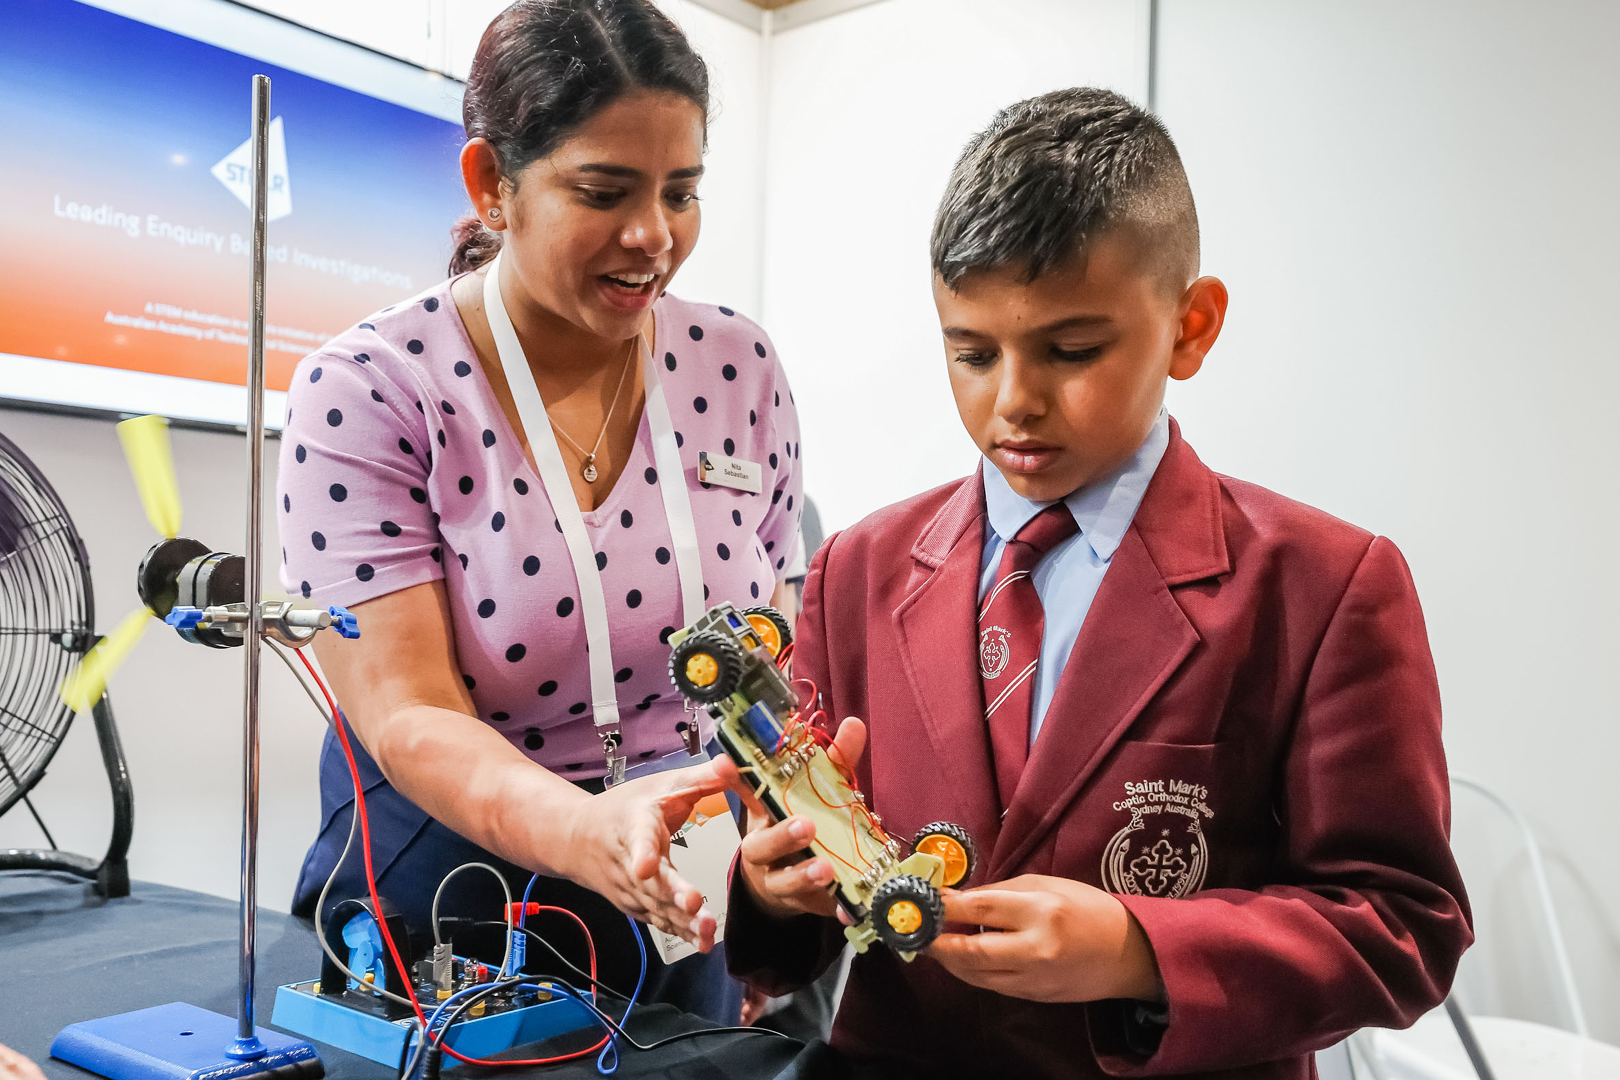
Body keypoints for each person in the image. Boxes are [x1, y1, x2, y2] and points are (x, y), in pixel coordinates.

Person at [719, 88, 1471, 1076]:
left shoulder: (1324, 585)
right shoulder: (855, 570)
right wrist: (776, 890)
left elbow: (1401, 923)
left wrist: (1138, 952)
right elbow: (803, 909)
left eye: (1072, 351)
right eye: (971, 353)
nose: (1014, 401)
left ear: (1190, 328)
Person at [276, 0, 802, 1025]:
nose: (654, 235)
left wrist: (778, 875)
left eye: (681, 192)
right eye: (605, 191)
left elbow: (772, 656)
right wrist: (585, 832)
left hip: (680, 880)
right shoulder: (373, 389)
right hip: (454, 901)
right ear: (492, 185)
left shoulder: (737, 366)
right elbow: (408, 711)